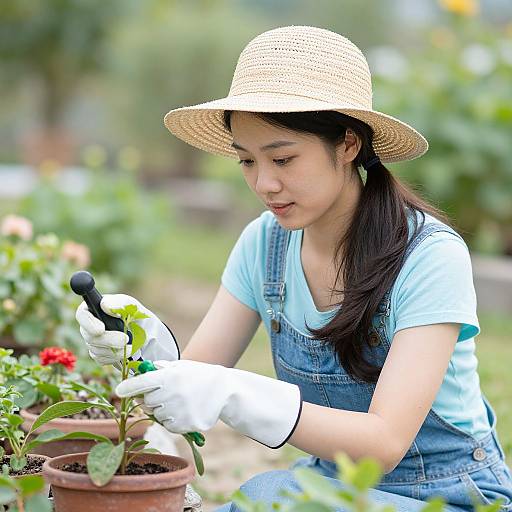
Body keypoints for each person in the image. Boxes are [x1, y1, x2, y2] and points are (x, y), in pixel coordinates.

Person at [76, 26, 512, 511]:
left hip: (450, 496)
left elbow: (384, 444)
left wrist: (240, 394)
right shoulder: (265, 246)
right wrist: (139, 343)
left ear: (348, 145)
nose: (264, 183)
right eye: (246, 161)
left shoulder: (428, 256)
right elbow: (193, 385)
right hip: (333, 490)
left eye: (283, 158)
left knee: (271, 497)